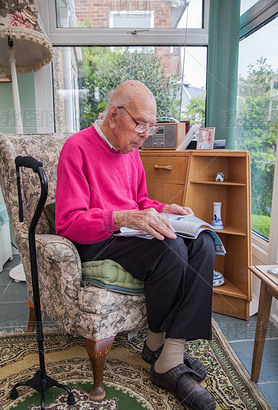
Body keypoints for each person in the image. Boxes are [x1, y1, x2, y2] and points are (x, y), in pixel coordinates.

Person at [55, 80, 216, 410]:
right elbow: (68, 222)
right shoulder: (77, 147)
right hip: (98, 238)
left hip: (129, 231)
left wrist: (161, 208)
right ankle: (160, 349)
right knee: (171, 250)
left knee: (202, 242)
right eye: (140, 123)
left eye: (150, 126)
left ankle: (167, 352)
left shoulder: (129, 151)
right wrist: (120, 218)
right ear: (114, 115)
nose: (146, 133)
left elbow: (139, 200)